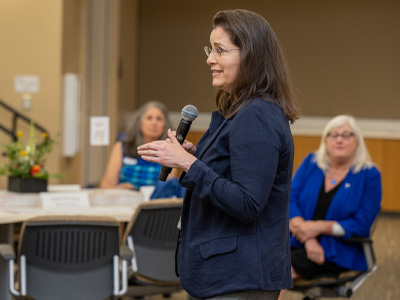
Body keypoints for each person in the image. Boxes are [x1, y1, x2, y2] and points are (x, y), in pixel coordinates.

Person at [137, 9, 298, 300]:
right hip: (229, 274)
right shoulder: (240, 111)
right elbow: (235, 170)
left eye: (220, 50)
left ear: (251, 56)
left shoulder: (256, 115)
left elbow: (248, 203)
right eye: (210, 50)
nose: (210, 59)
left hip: (241, 277)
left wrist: (189, 163)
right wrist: (196, 156)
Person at [279, 115, 381, 299]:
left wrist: (318, 227)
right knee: (257, 260)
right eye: (333, 135)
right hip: (296, 240)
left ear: (357, 141)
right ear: (325, 140)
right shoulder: (311, 163)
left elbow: (362, 222)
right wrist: (309, 238)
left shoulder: (369, 174)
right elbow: (289, 200)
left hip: (336, 250)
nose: (339, 139)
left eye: (347, 135)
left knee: (278, 271)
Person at [100, 101, 171, 190]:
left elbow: (169, 188)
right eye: (149, 118)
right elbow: (106, 185)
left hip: (155, 202)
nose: (154, 123)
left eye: (159, 119)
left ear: (164, 126)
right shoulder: (121, 147)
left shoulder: (170, 151)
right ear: (140, 124)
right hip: (125, 199)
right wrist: (120, 188)